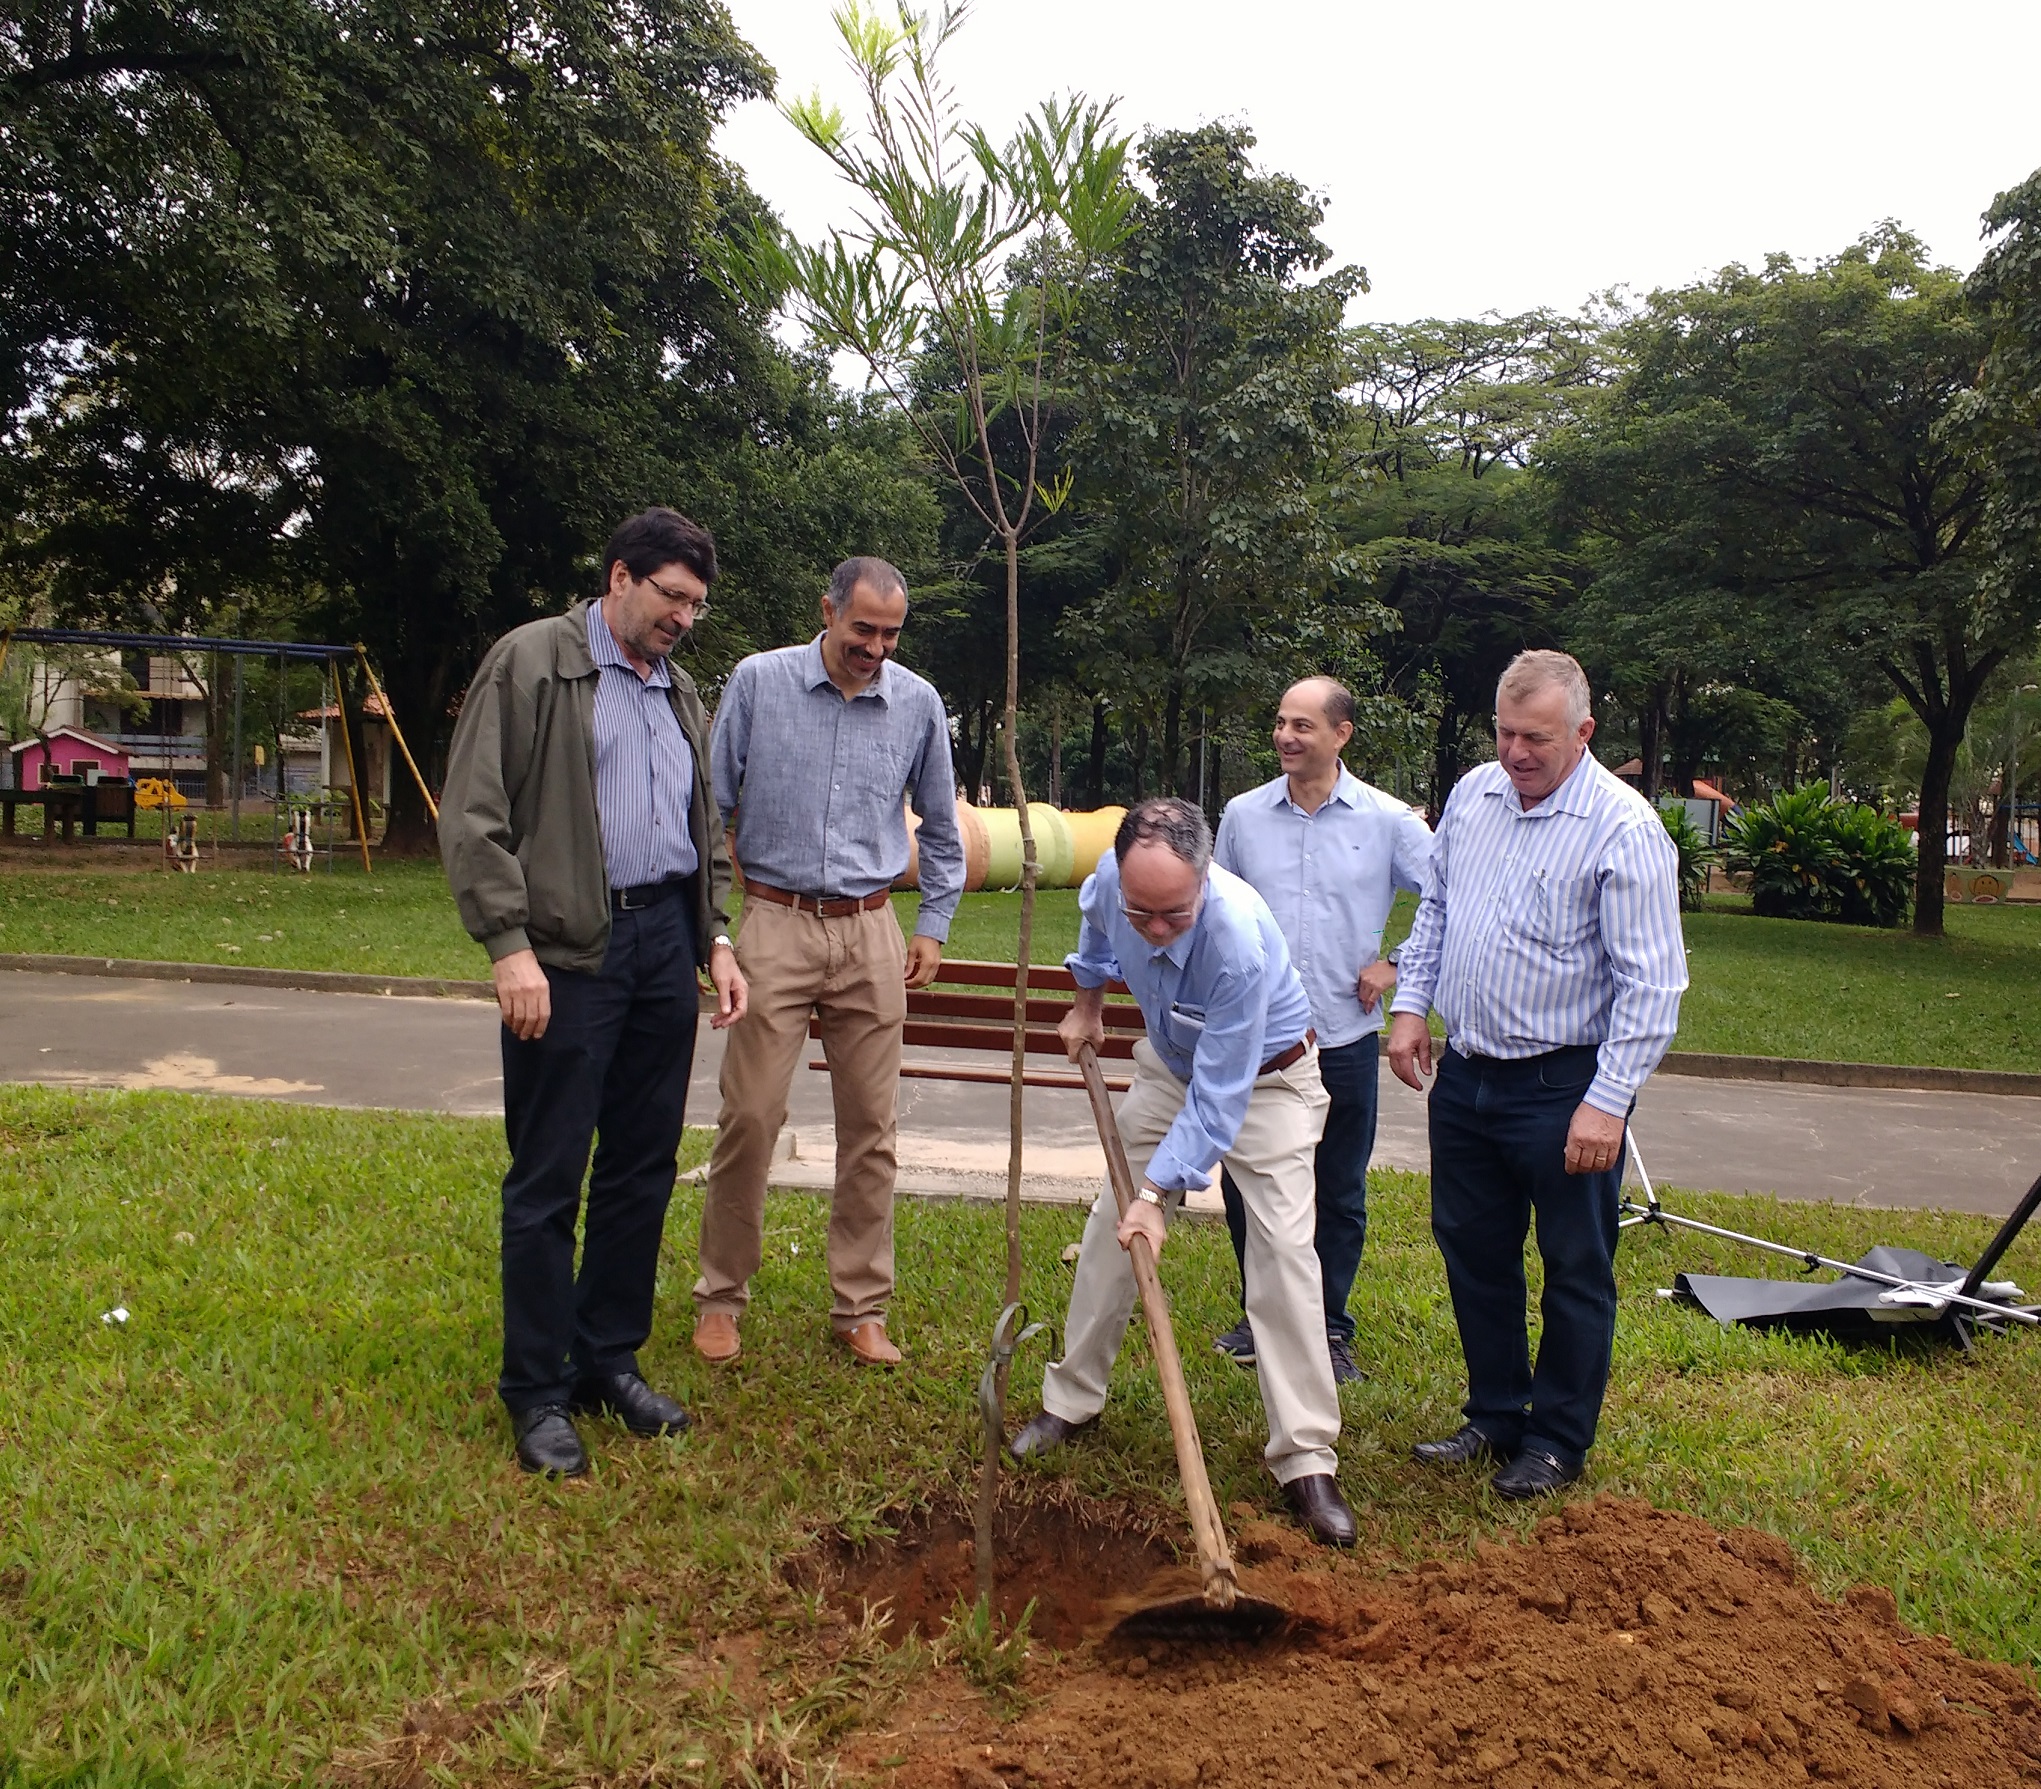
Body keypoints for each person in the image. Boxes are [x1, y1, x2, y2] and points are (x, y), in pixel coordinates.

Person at [440, 507, 746, 1478]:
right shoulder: (531, 664)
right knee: (547, 1174)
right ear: (619, 576)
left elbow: (699, 824)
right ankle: (535, 1391)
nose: (684, 619)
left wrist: (716, 937)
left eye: (695, 605)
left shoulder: (679, 688)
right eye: (671, 598)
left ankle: (604, 1360)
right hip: (567, 950)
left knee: (640, 1166)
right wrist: (507, 947)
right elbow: (476, 813)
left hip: (664, 943)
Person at [1008, 797, 1356, 1547]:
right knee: (1110, 1226)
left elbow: (1222, 1096)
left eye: (1173, 913)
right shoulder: (1111, 885)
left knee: (1283, 1253)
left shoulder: (1236, 940)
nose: (1157, 928)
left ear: (1204, 877)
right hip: (1170, 1067)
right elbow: (1098, 931)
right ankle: (1070, 1399)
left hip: (1267, 1079)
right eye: (1144, 913)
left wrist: (1159, 1195)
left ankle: (1303, 1458)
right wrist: (1088, 1002)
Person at [1386, 650, 1686, 1499]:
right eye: (1505, 732)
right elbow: (1436, 906)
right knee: (1473, 1251)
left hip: (1566, 1087)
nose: (1516, 752)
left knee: (1573, 1264)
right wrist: (1411, 1005)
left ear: (1583, 733)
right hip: (1468, 1074)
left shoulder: (1622, 830)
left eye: (1537, 739)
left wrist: (1607, 1100)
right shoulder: (1473, 797)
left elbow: (1652, 984)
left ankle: (1555, 1439)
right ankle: (1494, 1412)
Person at [691, 556, 964, 1368]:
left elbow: (943, 829)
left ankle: (859, 1306)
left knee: (872, 1129)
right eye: (862, 630)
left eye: (889, 634)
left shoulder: (916, 702)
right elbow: (709, 808)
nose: (874, 647)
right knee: (751, 1116)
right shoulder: (757, 682)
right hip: (773, 921)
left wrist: (933, 925)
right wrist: (714, 926)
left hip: (871, 928)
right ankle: (720, 1297)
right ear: (828, 611)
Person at [1211, 676, 1431, 1385]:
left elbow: (1451, 898)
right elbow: (1217, 910)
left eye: (1302, 725)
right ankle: (1261, 1314)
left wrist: (1393, 963)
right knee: (1248, 1184)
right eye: (1280, 722)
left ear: (1341, 734)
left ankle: (1329, 1327)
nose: (1285, 736)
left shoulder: (1390, 820)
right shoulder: (1243, 816)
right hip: (1259, 1042)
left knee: (1337, 1189)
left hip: (1342, 1038)